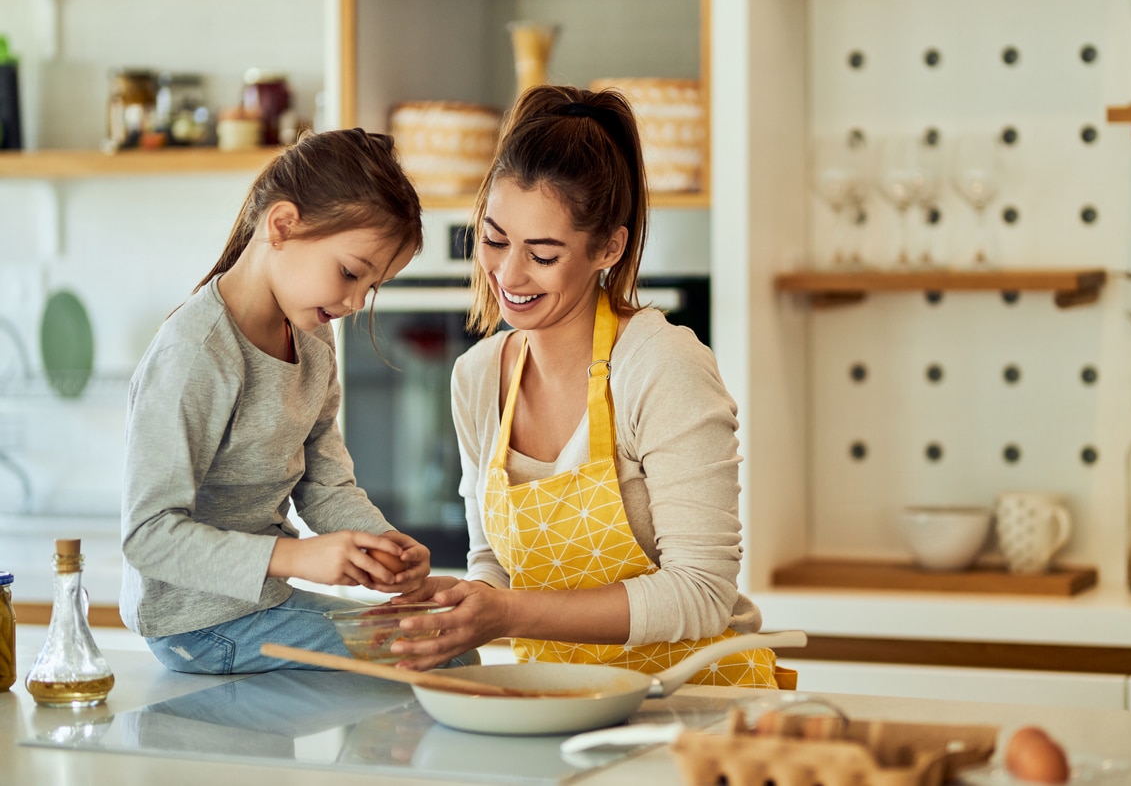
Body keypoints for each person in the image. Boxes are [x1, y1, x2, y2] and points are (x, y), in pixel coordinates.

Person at [390, 85, 792, 689]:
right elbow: (495, 565)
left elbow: (703, 592)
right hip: (558, 708)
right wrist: (465, 606)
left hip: (693, 712)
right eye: (494, 240)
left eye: (543, 254)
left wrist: (511, 613)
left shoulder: (660, 365)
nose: (508, 273)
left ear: (608, 247)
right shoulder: (476, 378)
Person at [120, 128, 471, 675]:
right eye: (351, 273)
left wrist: (382, 546)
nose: (355, 302)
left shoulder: (311, 337)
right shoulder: (197, 353)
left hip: (266, 604)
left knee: (445, 643)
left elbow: (324, 482)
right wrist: (297, 558)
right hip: (199, 625)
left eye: (371, 287)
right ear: (282, 226)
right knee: (439, 659)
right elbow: (147, 537)